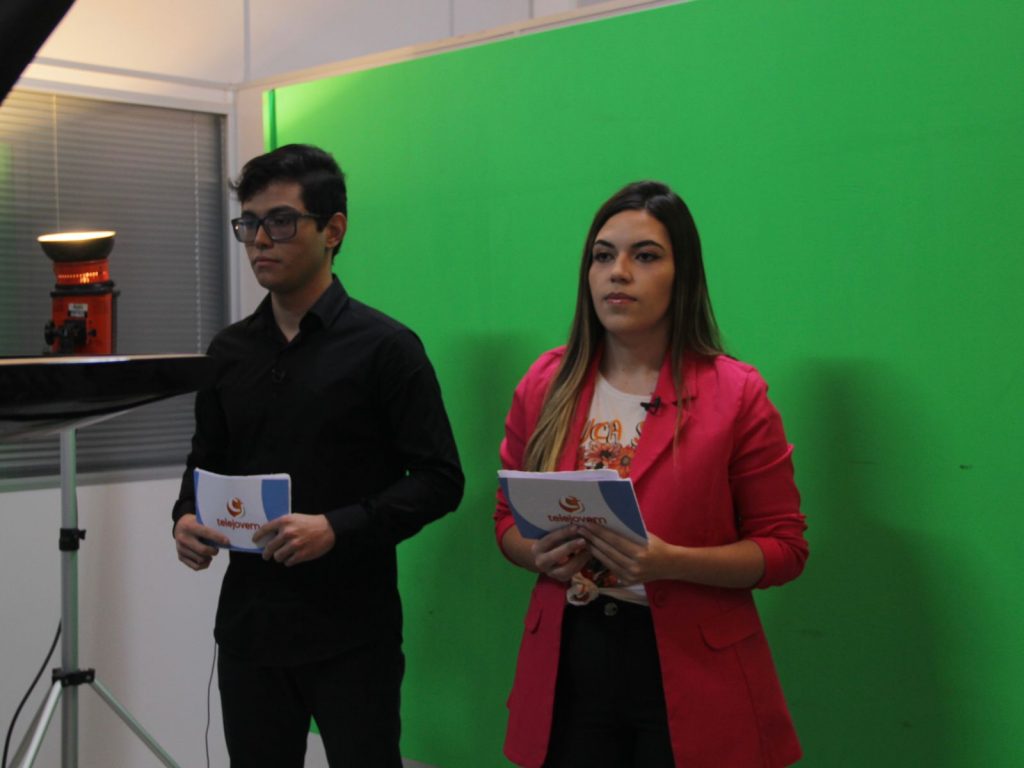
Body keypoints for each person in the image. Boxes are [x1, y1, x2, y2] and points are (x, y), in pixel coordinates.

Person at [494, 181, 808, 768]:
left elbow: (784, 549)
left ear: (682, 275)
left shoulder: (737, 393)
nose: (618, 272)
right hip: (569, 658)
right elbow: (507, 521)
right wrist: (537, 555)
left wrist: (671, 561)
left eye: (645, 256)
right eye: (603, 255)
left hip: (692, 667)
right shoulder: (546, 384)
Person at [172, 143, 464, 767]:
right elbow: (205, 462)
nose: (259, 240)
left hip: (352, 634)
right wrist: (185, 517)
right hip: (250, 629)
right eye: (250, 223)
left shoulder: (387, 348)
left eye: (280, 221)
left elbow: (440, 479)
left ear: (333, 230)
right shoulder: (227, 352)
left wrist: (336, 527)